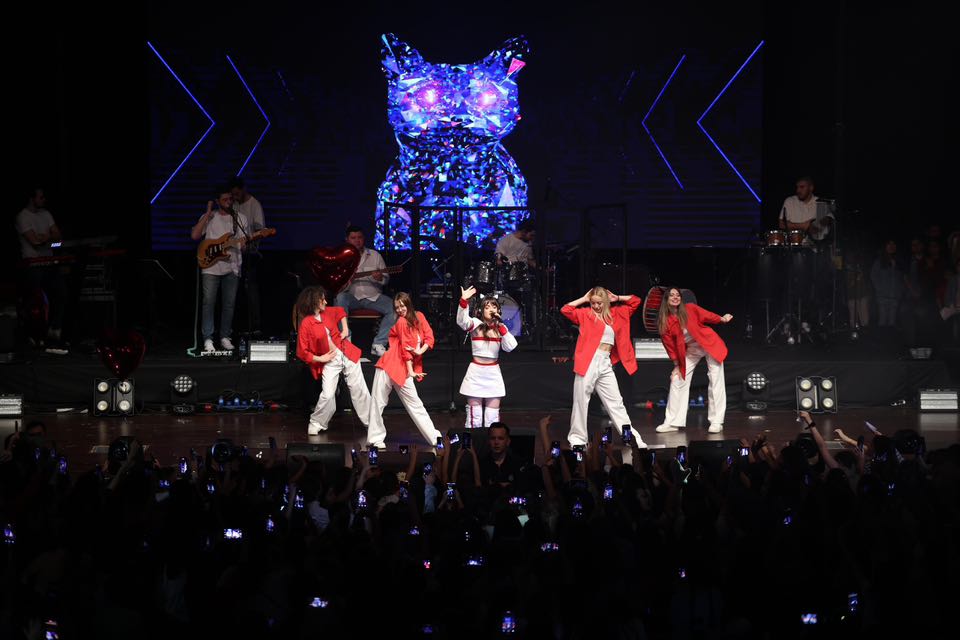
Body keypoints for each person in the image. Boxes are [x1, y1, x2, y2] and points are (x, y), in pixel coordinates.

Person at [562, 287, 645, 448]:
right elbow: (566, 309)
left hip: (605, 362)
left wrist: (617, 297)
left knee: (616, 403)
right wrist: (584, 299)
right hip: (588, 361)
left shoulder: (617, 313)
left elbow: (636, 301)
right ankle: (577, 439)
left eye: (599, 303)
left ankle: (631, 438)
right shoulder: (586, 314)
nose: (596, 306)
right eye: (593, 303)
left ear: (606, 302)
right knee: (581, 401)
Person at [366, 293, 442, 449]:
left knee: (415, 404)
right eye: (397, 307)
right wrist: (411, 371)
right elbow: (405, 350)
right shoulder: (401, 322)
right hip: (390, 364)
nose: (400, 310)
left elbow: (429, 338)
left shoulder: (419, 316)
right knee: (378, 402)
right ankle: (375, 439)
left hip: (402, 367)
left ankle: (435, 438)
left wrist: (420, 351)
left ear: (408, 304)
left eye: (402, 306)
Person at [295, 286, 372, 436]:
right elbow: (302, 352)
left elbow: (341, 311)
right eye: (322, 299)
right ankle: (317, 422)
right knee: (328, 394)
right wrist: (321, 358)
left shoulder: (327, 312)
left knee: (359, 389)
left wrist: (345, 329)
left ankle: (371, 422)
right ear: (314, 302)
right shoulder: (306, 323)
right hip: (329, 361)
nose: (325, 301)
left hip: (346, 353)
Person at [655, 288, 732, 434]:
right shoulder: (665, 322)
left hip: (709, 343)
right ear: (666, 299)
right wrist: (676, 365)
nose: (675, 297)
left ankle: (716, 421)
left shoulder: (689, 308)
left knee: (715, 378)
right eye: (671, 295)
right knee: (677, 379)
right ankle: (672, 422)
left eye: (678, 295)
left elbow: (706, 315)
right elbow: (669, 346)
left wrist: (722, 319)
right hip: (691, 349)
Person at [191, 188, 248, 352]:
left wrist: (245, 244)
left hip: (232, 266)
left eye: (230, 199)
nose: (229, 202)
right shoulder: (210, 217)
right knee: (208, 302)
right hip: (210, 267)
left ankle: (224, 336)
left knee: (229, 303)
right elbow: (195, 236)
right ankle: (208, 338)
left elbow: (243, 245)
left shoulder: (240, 218)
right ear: (217, 201)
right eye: (225, 199)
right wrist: (207, 213)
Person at [456, 286, 518, 429]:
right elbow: (462, 321)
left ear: (498, 311)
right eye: (487, 307)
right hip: (476, 373)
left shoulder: (501, 328)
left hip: (493, 374)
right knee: (475, 418)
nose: (491, 309)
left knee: (492, 418)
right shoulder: (476, 324)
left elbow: (511, 346)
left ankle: (491, 443)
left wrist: (501, 327)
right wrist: (463, 301)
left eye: (494, 307)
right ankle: (473, 443)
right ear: (481, 310)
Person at [16, 187, 67, 353]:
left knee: (60, 293)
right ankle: (33, 335)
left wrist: (46, 239)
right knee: (34, 302)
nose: (44, 200)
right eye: (41, 197)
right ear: (32, 199)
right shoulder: (23, 216)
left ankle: (54, 331)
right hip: (32, 265)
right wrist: (48, 238)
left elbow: (59, 240)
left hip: (49, 263)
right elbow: (35, 243)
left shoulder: (46, 214)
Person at [334, 225, 396, 356]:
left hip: (373, 296)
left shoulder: (375, 255)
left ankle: (379, 343)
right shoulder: (341, 257)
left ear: (364, 239)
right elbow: (336, 285)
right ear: (347, 240)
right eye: (353, 238)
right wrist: (347, 281)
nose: (357, 240)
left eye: (360, 237)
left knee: (395, 307)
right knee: (340, 298)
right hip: (352, 297)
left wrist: (380, 278)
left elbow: (386, 279)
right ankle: (346, 339)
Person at [229, 177, 265, 336]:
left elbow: (261, 230)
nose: (235, 197)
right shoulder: (233, 204)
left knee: (251, 290)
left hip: (249, 254)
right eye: (233, 194)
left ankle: (255, 326)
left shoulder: (254, 204)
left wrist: (249, 241)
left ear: (244, 189)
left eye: (237, 193)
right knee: (235, 291)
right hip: (233, 253)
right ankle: (236, 326)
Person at [777, 176, 834, 244]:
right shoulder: (790, 201)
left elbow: (829, 222)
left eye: (802, 187)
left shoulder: (820, 203)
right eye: (797, 187)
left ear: (811, 188)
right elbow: (781, 224)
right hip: (793, 245)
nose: (798, 190)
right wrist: (803, 225)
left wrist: (816, 224)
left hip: (814, 246)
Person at [479, 422, 523, 489]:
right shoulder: (481, 465)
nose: (496, 442)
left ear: (508, 441)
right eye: (493, 438)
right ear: (488, 441)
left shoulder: (518, 464)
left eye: (500, 438)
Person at [870, 239, 904, 328]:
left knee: (892, 323)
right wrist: (880, 289)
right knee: (882, 321)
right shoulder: (879, 261)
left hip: (895, 297)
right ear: (885, 246)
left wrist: (900, 291)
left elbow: (902, 278)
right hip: (882, 297)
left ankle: (890, 336)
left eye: (893, 244)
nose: (891, 246)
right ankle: (881, 336)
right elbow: (873, 275)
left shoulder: (899, 261)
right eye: (889, 244)